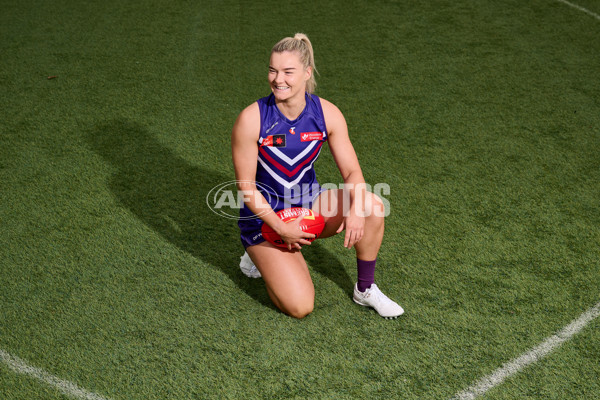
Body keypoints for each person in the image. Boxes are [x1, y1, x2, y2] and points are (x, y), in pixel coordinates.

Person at [231, 33, 404, 319]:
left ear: (307, 73)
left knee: (372, 207)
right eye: (273, 70)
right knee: (300, 307)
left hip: (306, 206)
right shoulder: (252, 119)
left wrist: (357, 210)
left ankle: (365, 289)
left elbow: (351, 171)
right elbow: (246, 187)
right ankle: (257, 255)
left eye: (288, 72)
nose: (278, 79)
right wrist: (280, 227)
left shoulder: (327, 114)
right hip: (265, 221)